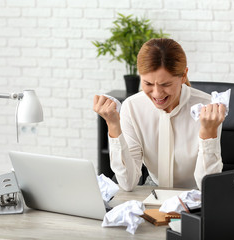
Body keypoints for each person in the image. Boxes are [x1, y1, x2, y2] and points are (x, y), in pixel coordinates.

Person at [93, 38, 226, 191]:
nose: (157, 93)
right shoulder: (132, 107)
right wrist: (113, 125)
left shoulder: (208, 109)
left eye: (166, 84)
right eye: (148, 84)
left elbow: (207, 187)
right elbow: (127, 183)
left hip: (194, 195)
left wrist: (208, 132)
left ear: (183, 75)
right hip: (153, 193)